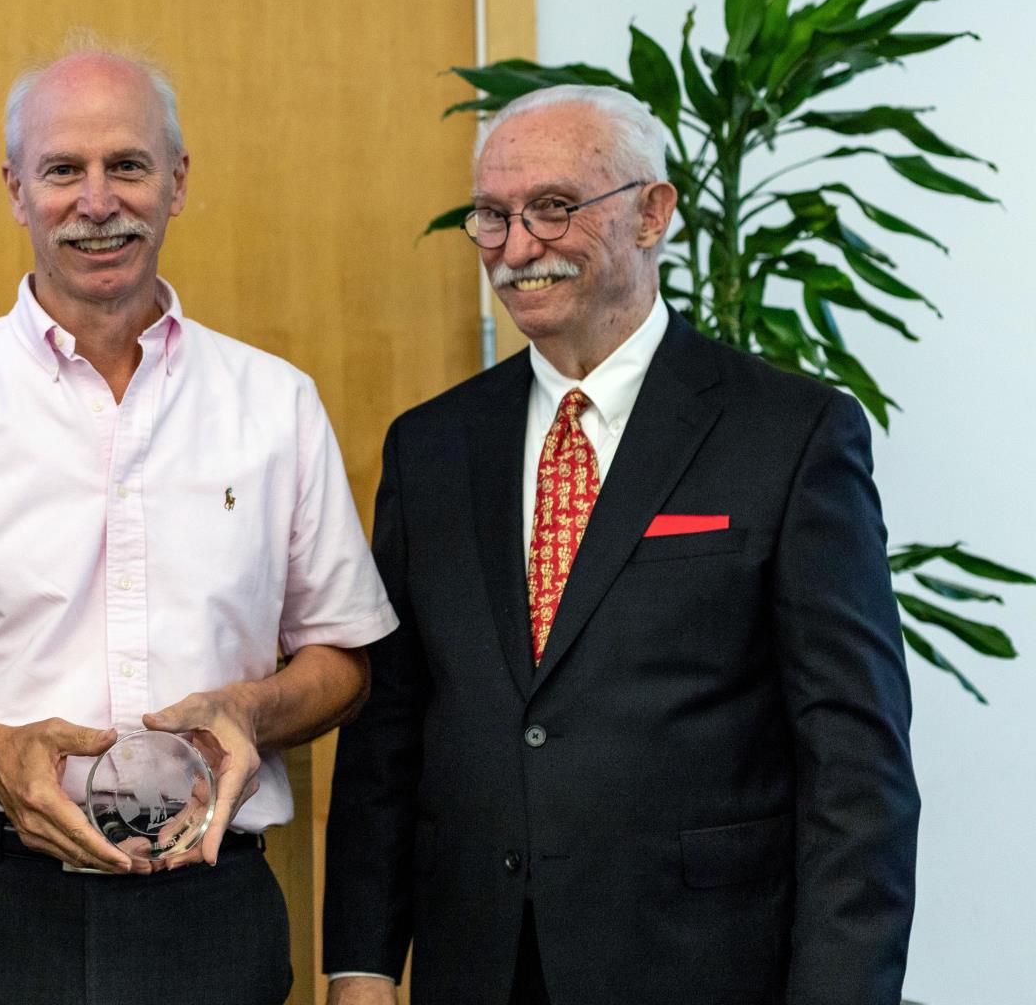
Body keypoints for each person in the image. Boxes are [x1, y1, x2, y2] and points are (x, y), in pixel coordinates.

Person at [0, 41, 397, 1003]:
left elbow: (345, 659)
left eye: (128, 165)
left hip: (206, 915)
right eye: (62, 170)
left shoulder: (274, 404)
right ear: (16, 190)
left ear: (177, 181)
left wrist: (253, 709)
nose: (97, 200)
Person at [323, 84, 920, 1004]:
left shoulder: (791, 435)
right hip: (476, 965)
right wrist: (360, 959)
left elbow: (856, 768)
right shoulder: (431, 446)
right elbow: (390, 731)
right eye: (493, 217)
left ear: (652, 213)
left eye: (554, 209)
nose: (519, 248)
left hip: (699, 965)